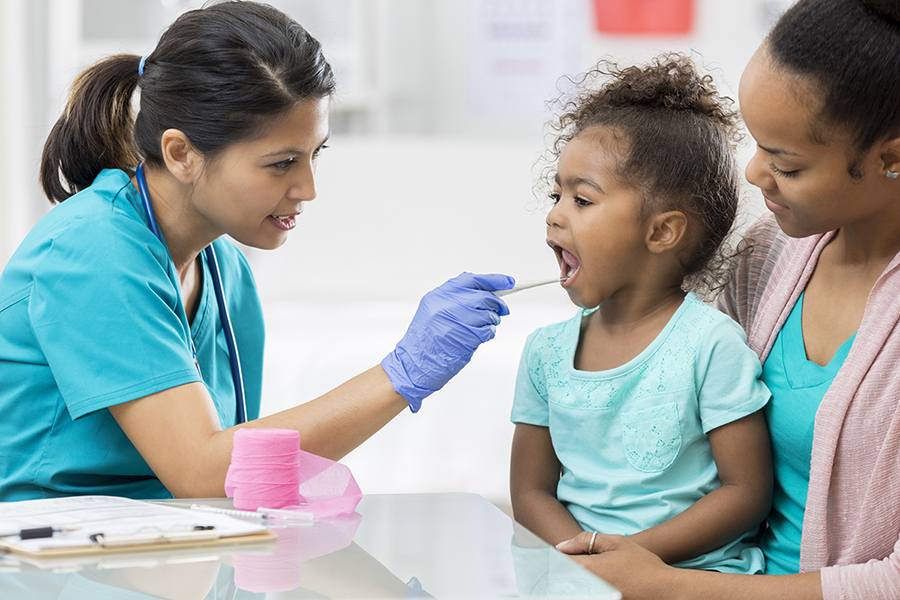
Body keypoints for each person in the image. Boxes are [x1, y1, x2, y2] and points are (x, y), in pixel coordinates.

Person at [0, 0, 513, 501]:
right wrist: (400, 375)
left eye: (316, 154)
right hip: (49, 559)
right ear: (181, 154)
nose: (308, 188)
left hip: (165, 552)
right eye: (282, 162)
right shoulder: (93, 251)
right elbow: (202, 471)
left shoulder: (226, 271)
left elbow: (238, 471)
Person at [555, 0, 900, 598]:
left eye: (786, 164)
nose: (753, 173)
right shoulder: (766, 257)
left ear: (891, 157)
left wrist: (673, 587)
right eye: (758, 143)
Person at [509, 54, 772, 574]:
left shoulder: (712, 345)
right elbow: (530, 490)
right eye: (555, 193)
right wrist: (582, 561)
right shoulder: (546, 352)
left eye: (582, 200)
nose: (555, 213)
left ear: (661, 232)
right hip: (577, 574)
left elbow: (746, 493)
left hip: (690, 576)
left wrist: (635, 561)